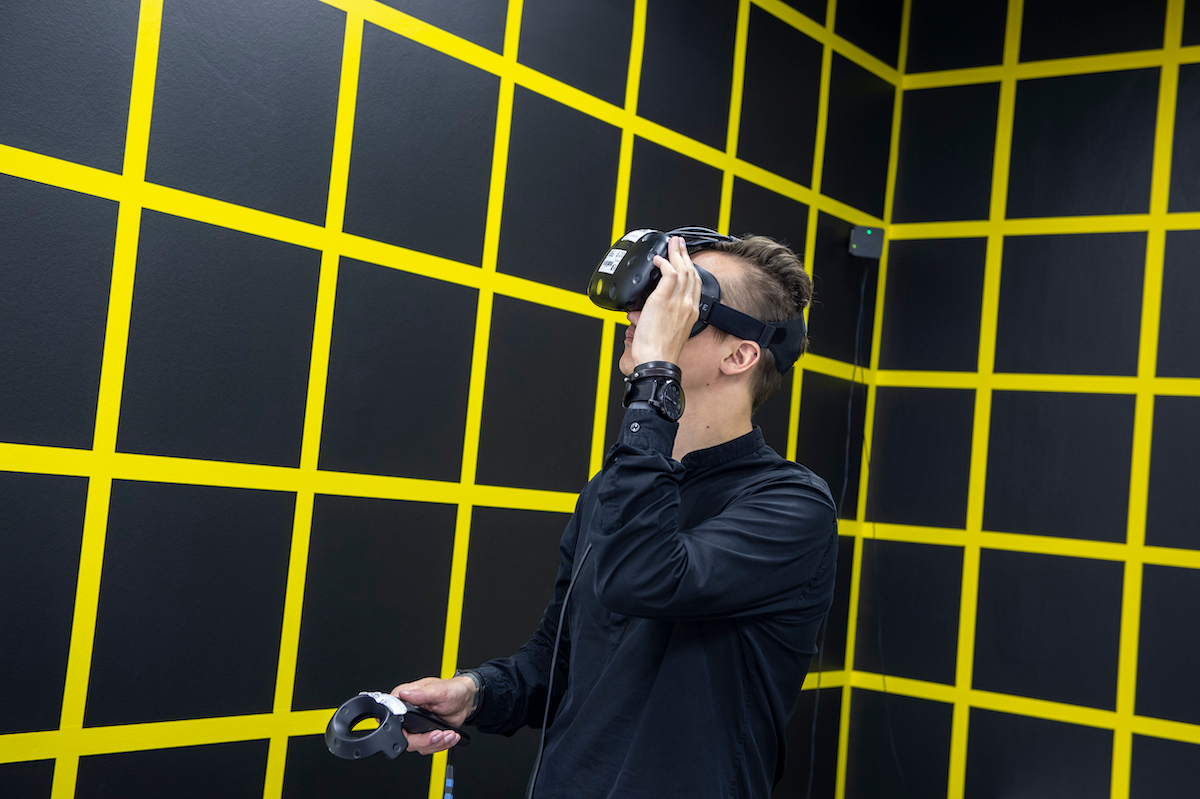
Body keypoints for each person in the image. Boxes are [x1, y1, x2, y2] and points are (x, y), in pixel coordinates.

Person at [393, 233, 838, 798]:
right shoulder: (615, 487)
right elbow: (560, 659)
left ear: (739, 356)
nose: (641, 315)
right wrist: (476, 693)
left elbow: (643, 578)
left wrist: (655, 375)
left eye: (681, 301)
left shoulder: (791, 505)